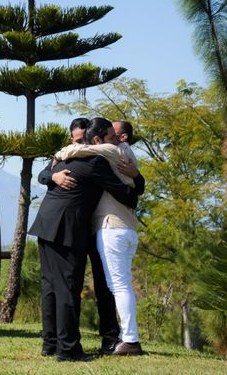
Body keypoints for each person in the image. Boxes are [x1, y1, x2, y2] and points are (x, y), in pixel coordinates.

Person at [29, 118, 143, 362]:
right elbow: (128, 197)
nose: (117, 142)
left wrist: (54, 173)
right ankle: (68, 350)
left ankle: (50, 344)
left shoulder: (68, 158)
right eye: (112, 138)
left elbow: (52, 166)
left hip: (46, 224)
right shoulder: (96, 162)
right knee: (68, 288)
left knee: (50, 287)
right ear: (98, 140)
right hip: (66, 229)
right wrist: (137, 180)